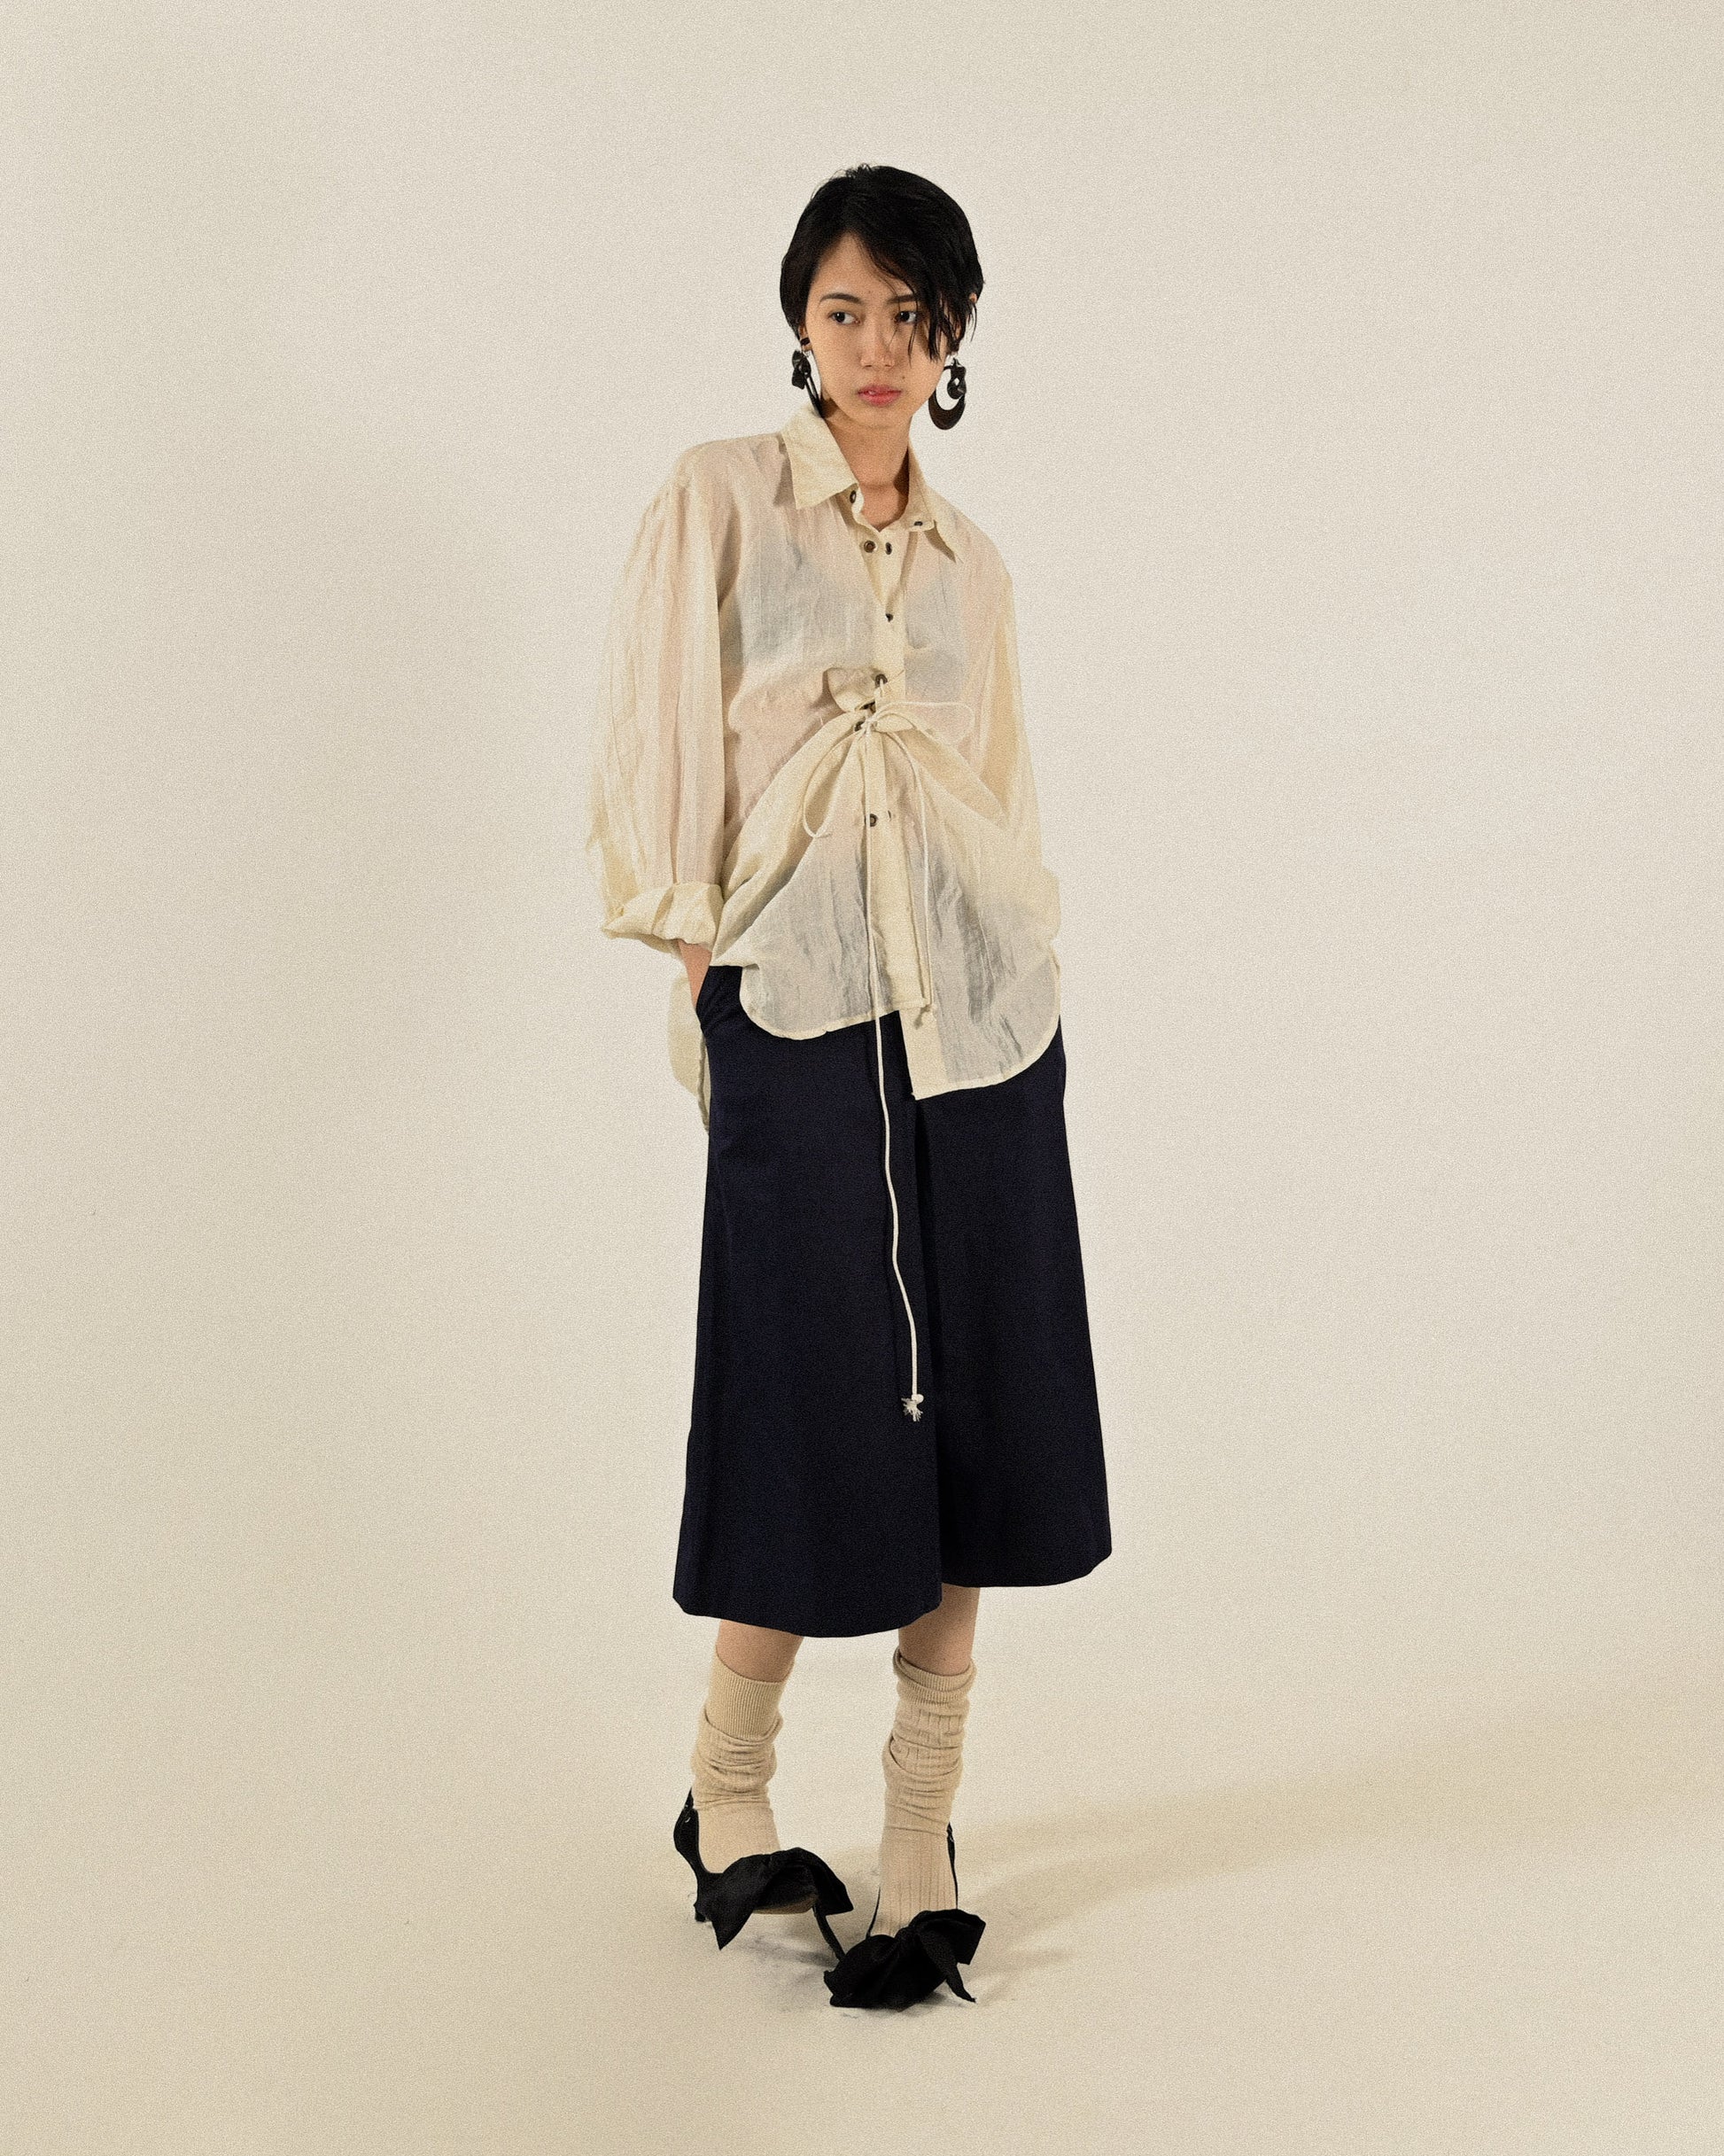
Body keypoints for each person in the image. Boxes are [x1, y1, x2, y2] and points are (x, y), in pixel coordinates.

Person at [584, 164, 1112, 2010]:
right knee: (808, 1388)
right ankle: (726, 1788)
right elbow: (657, 725)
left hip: (976, 1016)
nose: (875, 346)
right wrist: (690, 941)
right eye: (842, 310)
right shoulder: (721, 496)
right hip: (795, 1000)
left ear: (951, 337)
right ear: (797, 323)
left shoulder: (974, 564)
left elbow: (1000, 783)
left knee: (970, 1404)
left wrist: (1020, 949)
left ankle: (919, 1827)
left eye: (909, 314)